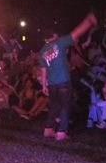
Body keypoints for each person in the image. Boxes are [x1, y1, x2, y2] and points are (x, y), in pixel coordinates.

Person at [39, 12, 98, 141]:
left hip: (52, 83)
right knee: (65, 106)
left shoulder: (43, 50)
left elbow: (43, 69)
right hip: (63, 81)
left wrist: (44, 85)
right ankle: (61, 132)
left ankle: (48, 129)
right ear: (55, 35)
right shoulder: (60, 42)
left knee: (54, 106)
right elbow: (76, 33)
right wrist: (88, 21)